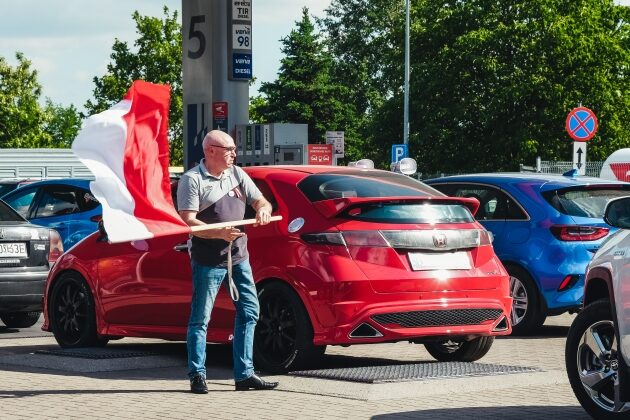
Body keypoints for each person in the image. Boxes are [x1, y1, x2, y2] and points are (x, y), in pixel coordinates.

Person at [177, 130, 279, 394]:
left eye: (234, 148)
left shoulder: (237, 174)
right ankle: (197, 375)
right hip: (208, 260)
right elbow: (188, 221)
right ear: (210, 150)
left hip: (239, 258)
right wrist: (218, 232)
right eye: (228, 149)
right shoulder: (192, 180)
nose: (234, 153)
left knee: (250, 312)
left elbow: (260, 201)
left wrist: (264, 211)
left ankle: (244, 375)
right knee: (201, 319)